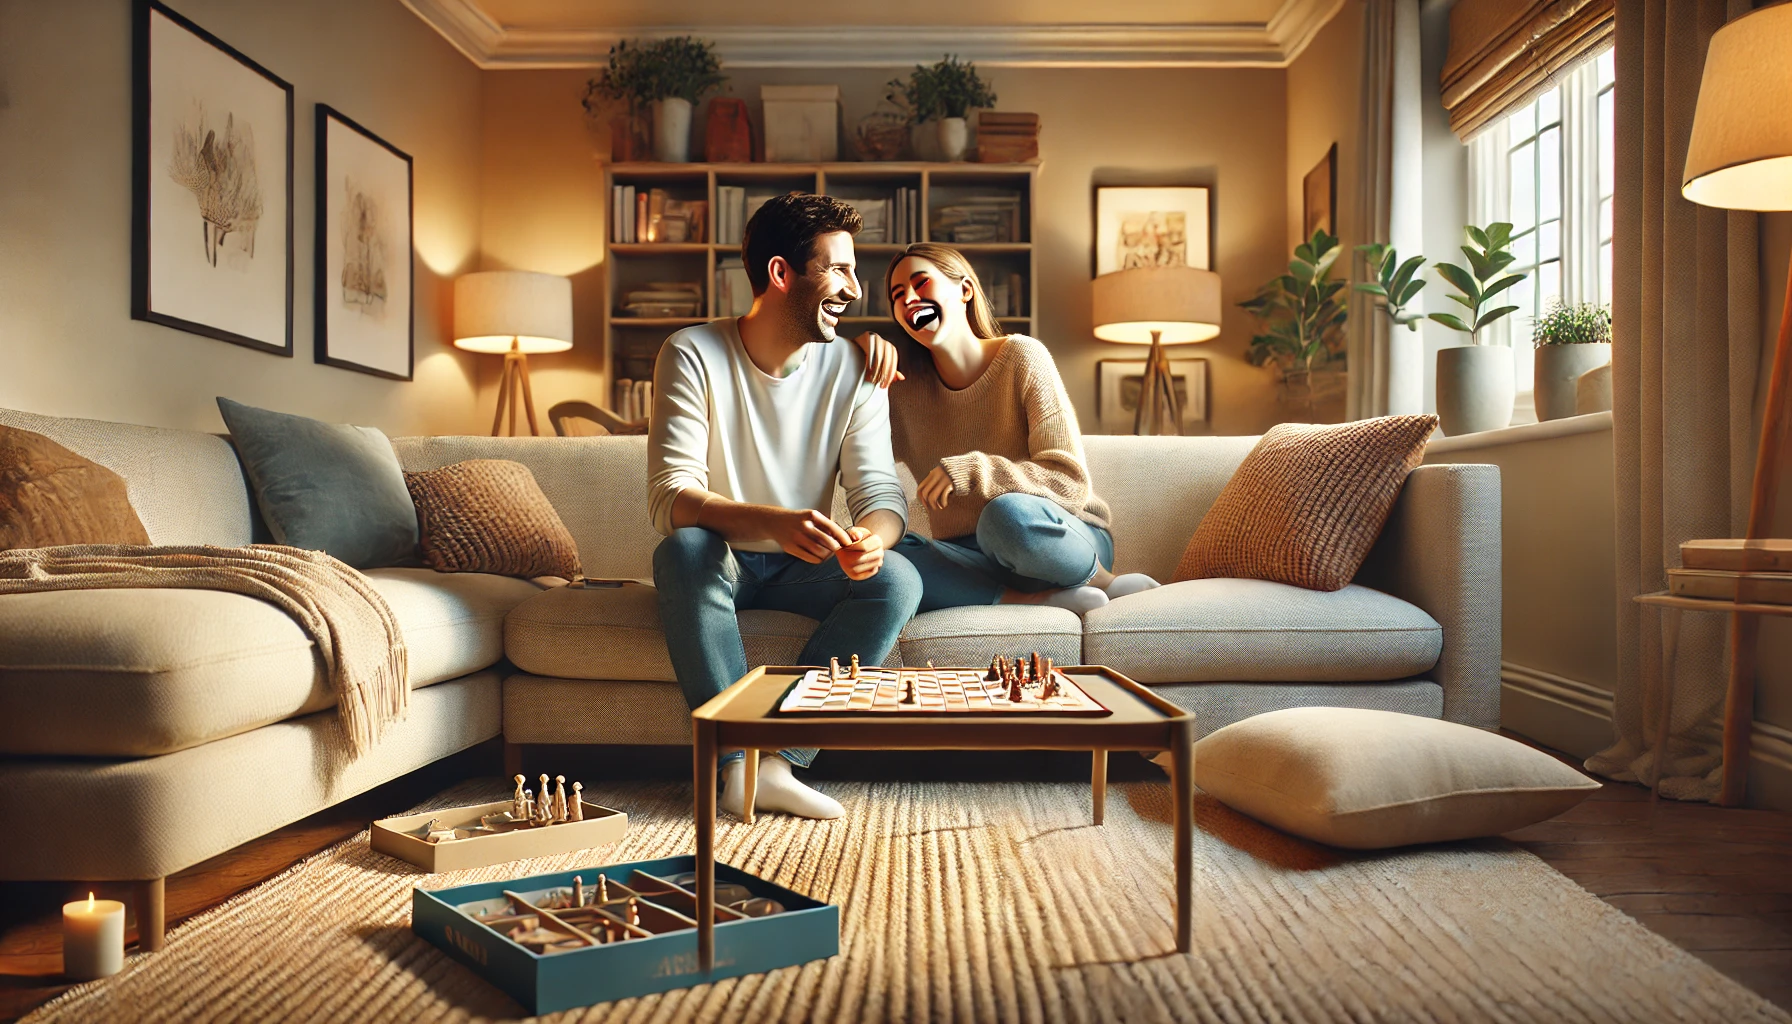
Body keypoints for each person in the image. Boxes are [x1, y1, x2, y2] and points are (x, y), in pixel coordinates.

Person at [649, 193, 921, 820]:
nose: (856, 289)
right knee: (684, 550)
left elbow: (879, 495)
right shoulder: (691, 353)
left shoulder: (855, 368)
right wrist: (774, 521)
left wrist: (871, 540)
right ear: (780, 274)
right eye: (839, 269)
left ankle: (778, 764)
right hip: (723, 561)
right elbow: (670, 496)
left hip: (808, 566)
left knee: (897, 576)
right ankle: (734, 762)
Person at [854, 243, 1159, 615]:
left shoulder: (1022, 357)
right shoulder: (901, 391)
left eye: (921, 284)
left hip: (1055, 535)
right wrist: (853, 358)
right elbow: (847, 447)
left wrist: (975, 470)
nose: (910, 299)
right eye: (898, 295)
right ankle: (1032, 600)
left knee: (1004, 516)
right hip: (977, 560)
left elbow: (1070, 483)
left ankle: (1103, 581)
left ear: (965, 290)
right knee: (889, 555)